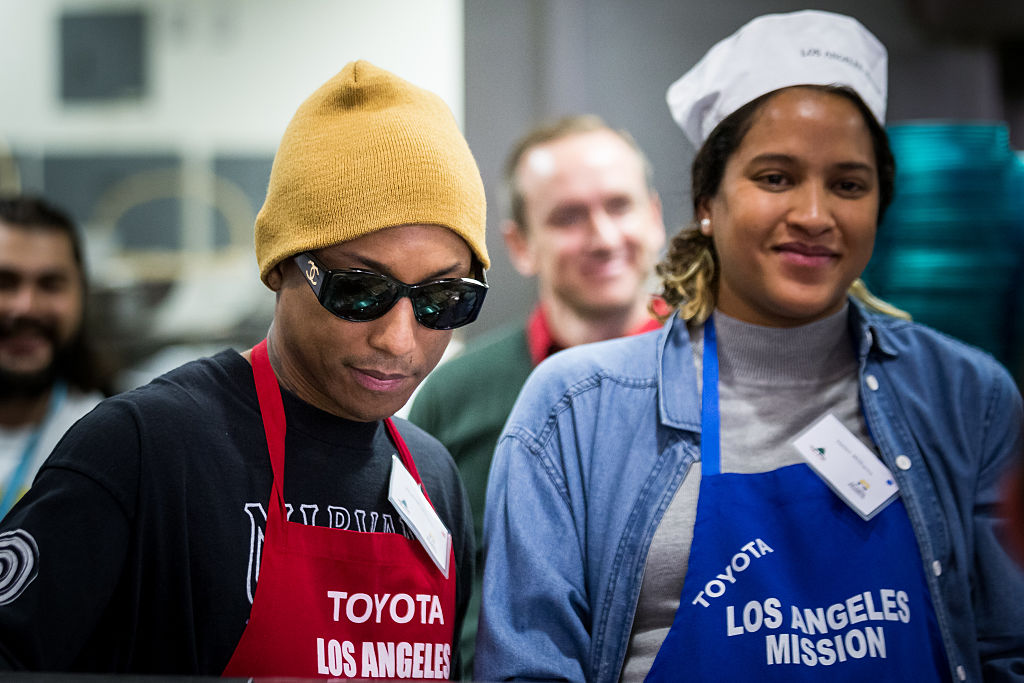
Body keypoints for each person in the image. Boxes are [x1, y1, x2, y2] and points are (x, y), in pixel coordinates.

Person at [476, 10, 1024, 683]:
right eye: (775, 177)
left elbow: (1008, 654)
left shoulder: (969, 396)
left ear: (880, 205)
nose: (815, 215)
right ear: (707, 198)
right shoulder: (576, 409)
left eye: (848, 184)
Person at [0, 61, 485, 678]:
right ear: (279, 265)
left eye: (442, 301)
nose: (398, 339)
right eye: (357, 290)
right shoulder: (147, 449)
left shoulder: (434, 480)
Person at [408, 114, 666, 674]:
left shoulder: (717, 377)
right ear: (520, 244)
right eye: (568, 217)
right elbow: (420, 605)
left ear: (654, 217)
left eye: (619, 206)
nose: (603, 237)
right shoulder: (454, 398)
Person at [0, 196, 107, 519]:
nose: (26, 307)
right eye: (5, 283)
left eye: (50, 285)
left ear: (81, 295)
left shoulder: (107, 443)